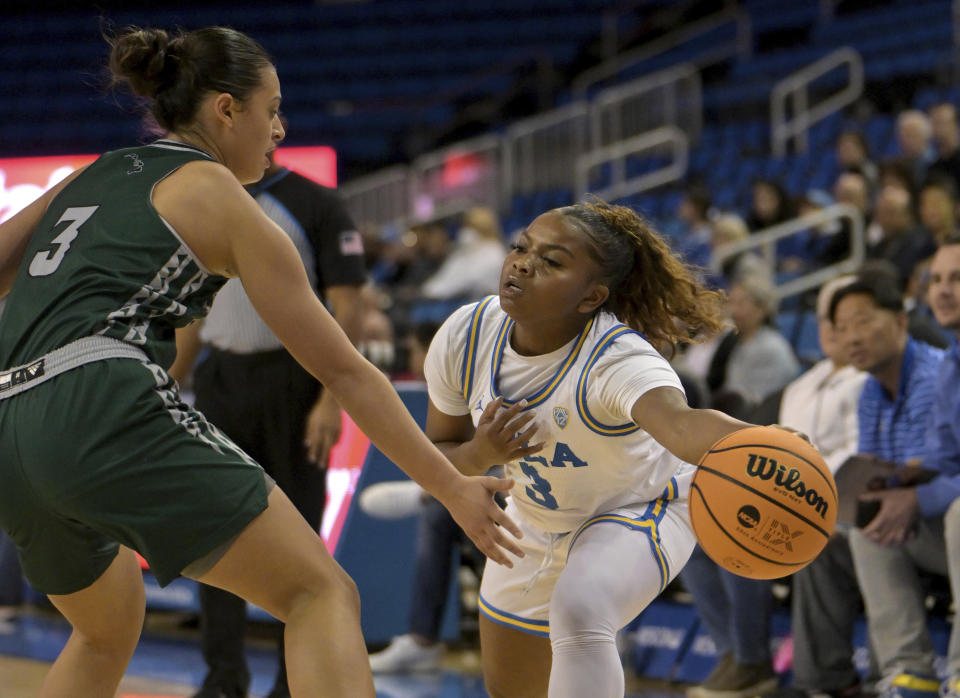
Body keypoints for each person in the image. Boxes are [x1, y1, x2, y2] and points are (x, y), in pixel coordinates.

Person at [0, 26, 521, 698]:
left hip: (10, 423)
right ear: (226, 109)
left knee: (104, 631)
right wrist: (452, 487)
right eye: (271, 109)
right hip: (98, 399)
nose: (279, 129)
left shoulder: (97, 172)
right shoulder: (224, 200)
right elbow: (347, 371)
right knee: (320, 591)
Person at [421, 198, 795, 698]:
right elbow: (438, 454)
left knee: (582, 607)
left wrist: (762, 441)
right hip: (536, 520)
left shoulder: (617, 360)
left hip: (644, 508)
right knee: (511, 688)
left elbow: (684, 428)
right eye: (521, 247)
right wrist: (480, 454)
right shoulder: (466, 336)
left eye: (552, 262)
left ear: (592, 296)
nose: (523, 263)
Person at [167, 150, 366, 698]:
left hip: (295, 381)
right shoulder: (205, 201)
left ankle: (290, 683)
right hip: (221, 379)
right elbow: (193, 314)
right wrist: (164, 386)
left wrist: (330, 400)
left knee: (301, 541)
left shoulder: (314, 202)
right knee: (212, 531)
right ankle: (222, 677)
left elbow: (348, 306)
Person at [844, 237, 960, 698]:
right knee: (869, 521)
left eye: (958, 279)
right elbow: (942, 458)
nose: (944, 290)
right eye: (937, 280)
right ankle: (909, 674)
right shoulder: (953, 365)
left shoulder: (934, 369)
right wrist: (894, 485)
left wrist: (922, 495)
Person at [760, 275, 872, 698]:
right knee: (711, 539)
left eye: (839, 320)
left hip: (843, 503)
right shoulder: (802, 385)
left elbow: (860, 455)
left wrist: (805, 483)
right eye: (825, 319)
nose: (828, 329)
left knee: (814, 540)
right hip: (793, 498)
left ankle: (821, 680)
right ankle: (747, 659)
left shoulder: (868, 379)